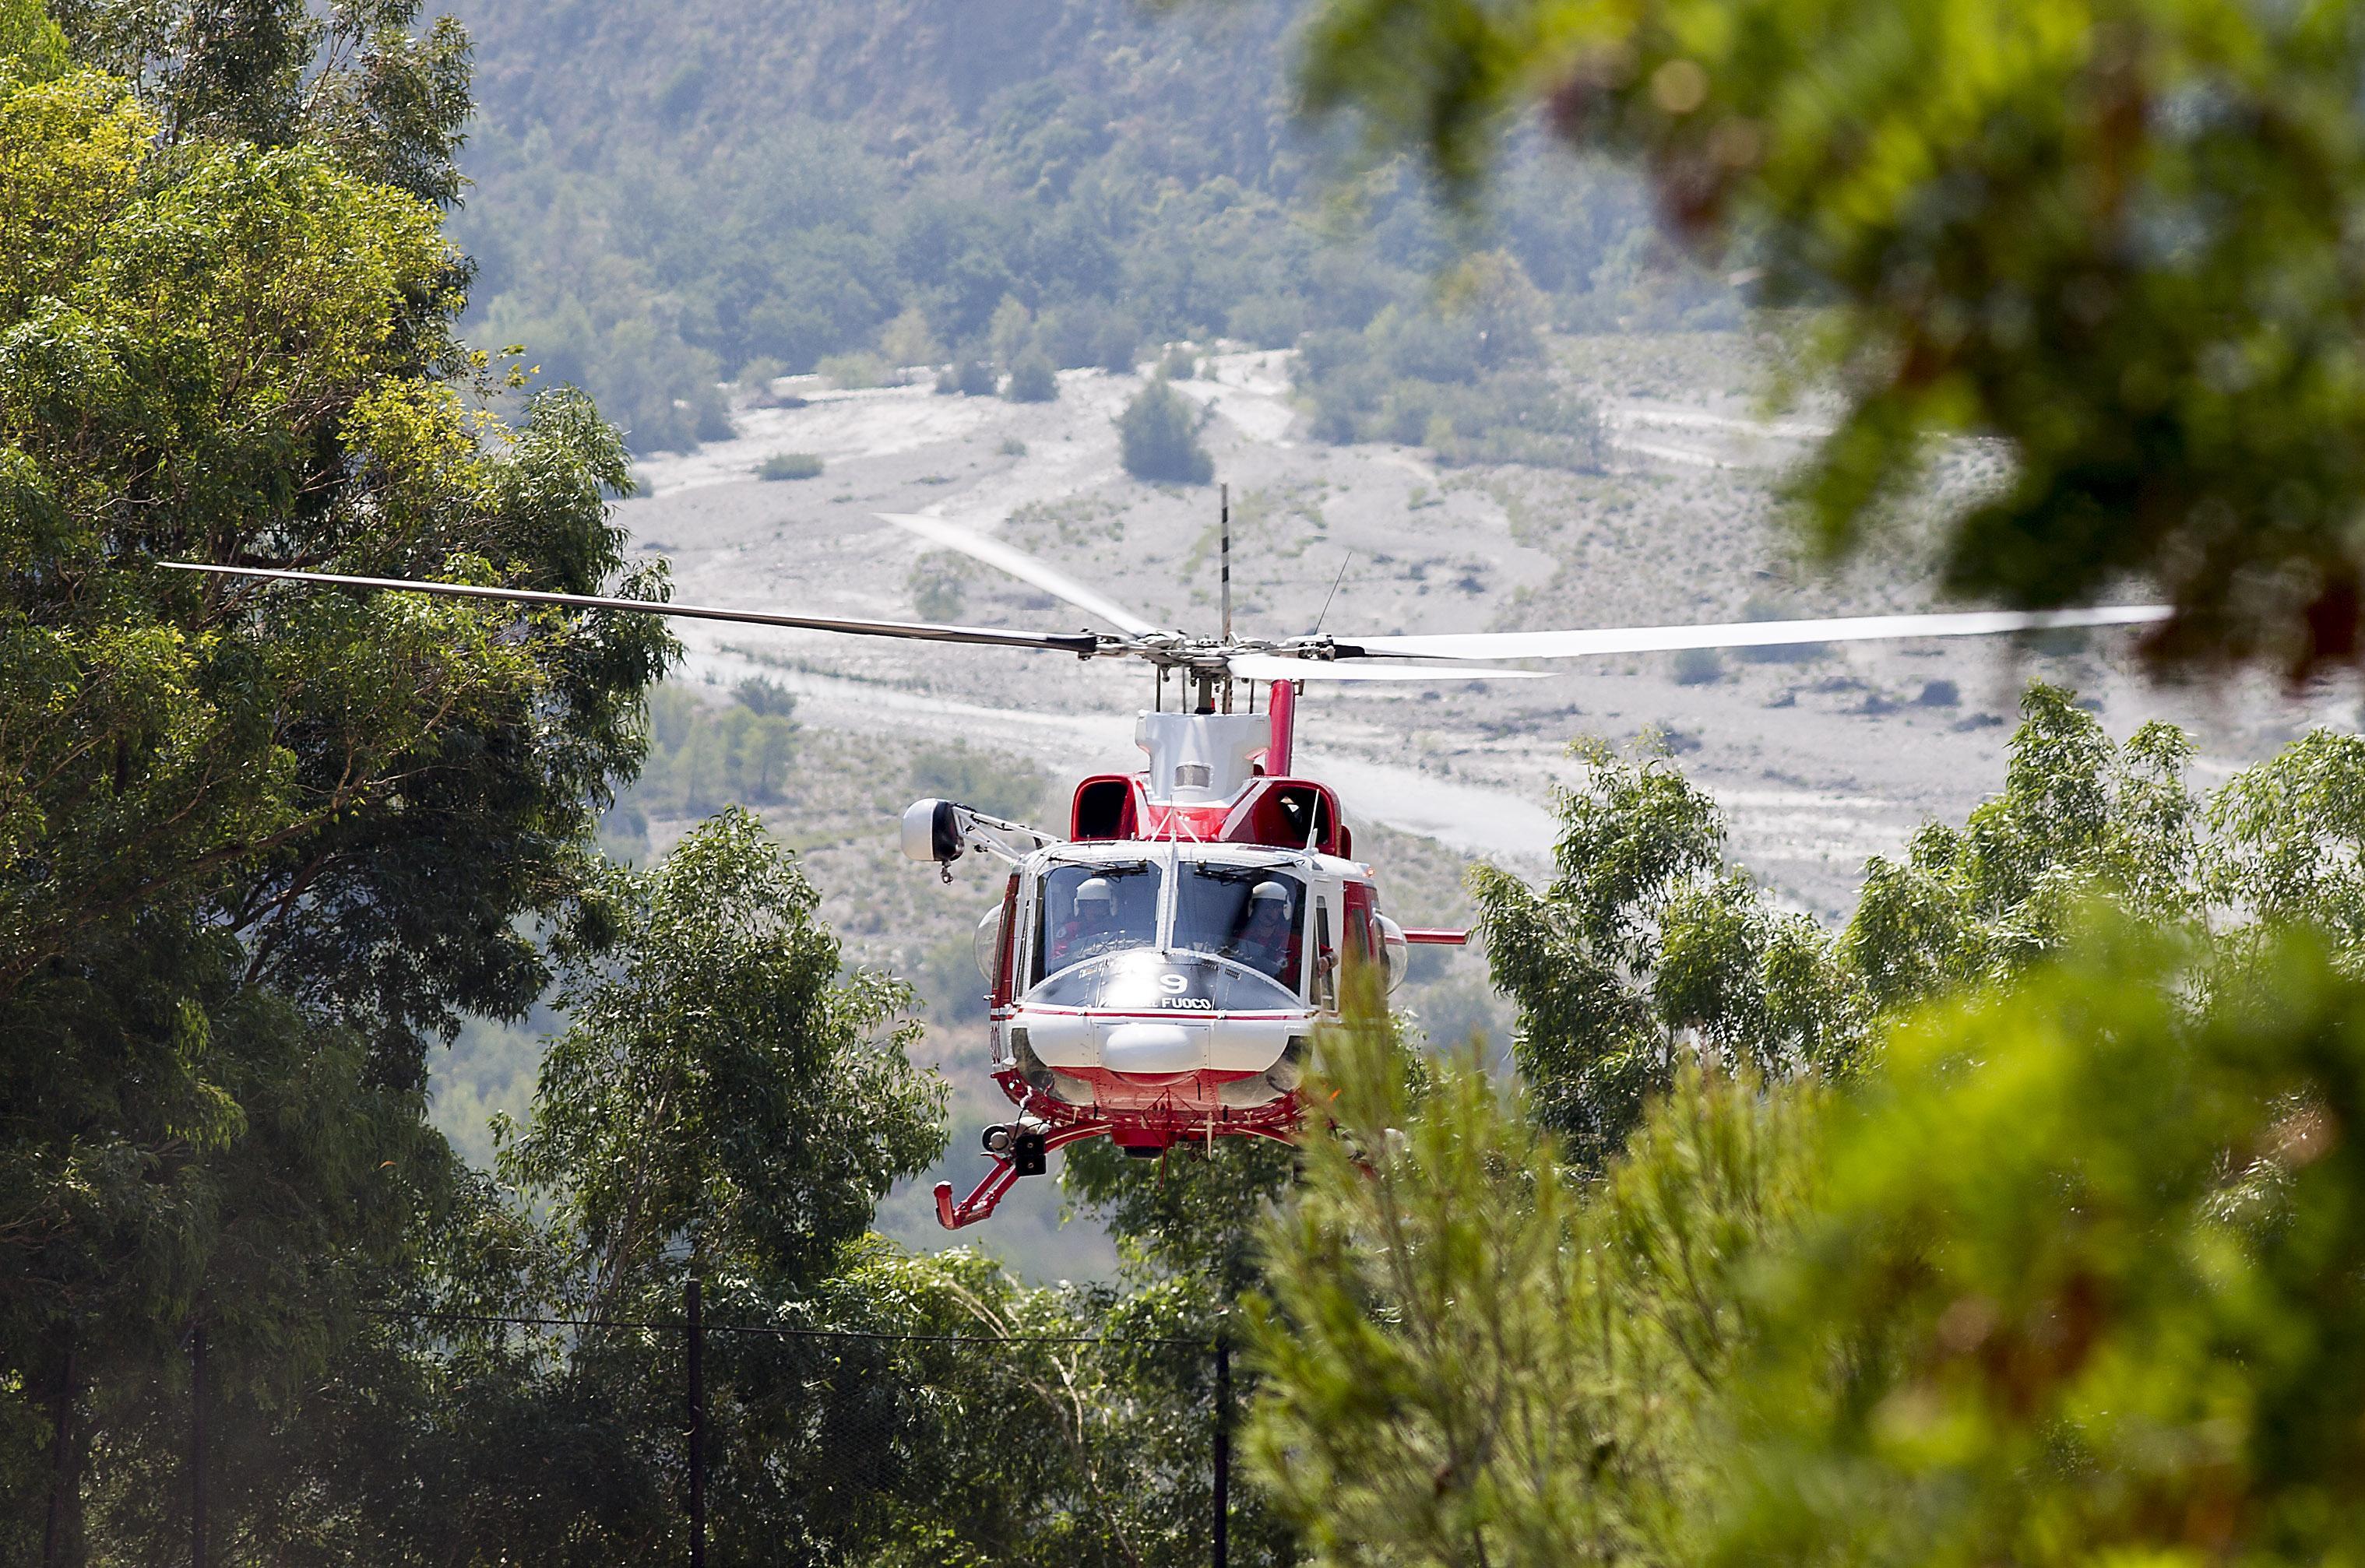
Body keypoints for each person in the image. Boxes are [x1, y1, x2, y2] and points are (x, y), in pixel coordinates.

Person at [1230, 880, 1301, 986]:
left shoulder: (1293, 941)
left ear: (1283, 910)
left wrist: (1327, 960)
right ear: (1253, 908)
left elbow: (1330, 955)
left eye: (1275, 907)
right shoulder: (1240, 938)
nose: (1268, 912)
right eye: (1263, 907)